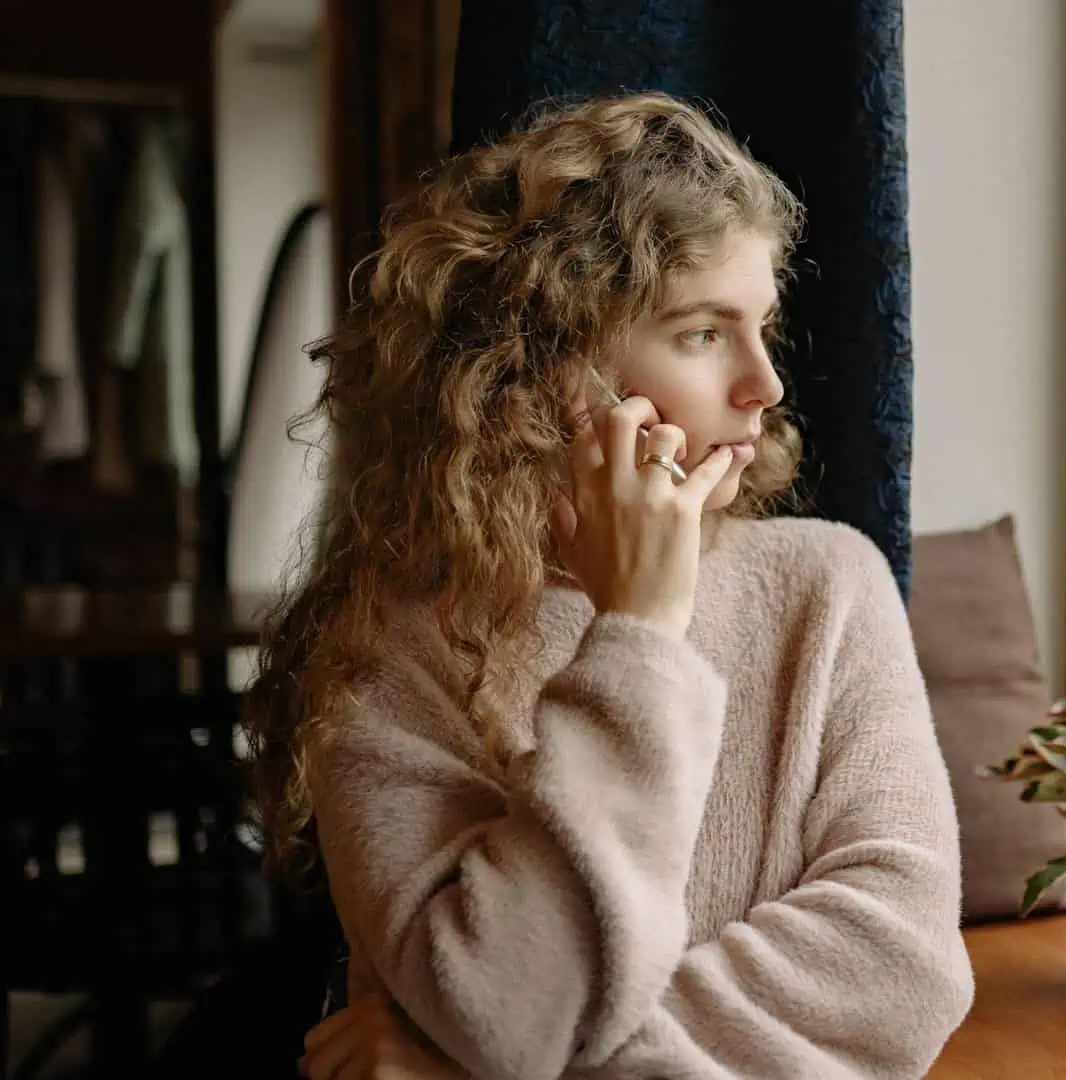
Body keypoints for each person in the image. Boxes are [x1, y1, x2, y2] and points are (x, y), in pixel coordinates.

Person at [244, 93, 974, 1080]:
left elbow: (905, 973)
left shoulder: (829, 585)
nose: (766, 383)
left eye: (761, 325)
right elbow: (505, 1012)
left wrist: (467, 1068)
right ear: (549, 363)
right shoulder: (387, 653)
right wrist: (640, 635)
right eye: (703, 332)